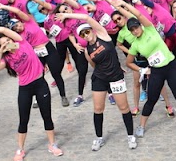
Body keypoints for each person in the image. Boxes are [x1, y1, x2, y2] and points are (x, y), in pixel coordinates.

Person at [0, 26, 63, 161]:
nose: (7, 43)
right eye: (3, 43)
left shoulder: (22, 43)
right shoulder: (7, 59)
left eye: (8, 40)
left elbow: (3, 29)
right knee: (23, 120)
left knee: (47, 115)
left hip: (40, 83)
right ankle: (20, 149)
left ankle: (52, 144)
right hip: (25, 88)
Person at [115, 0, 176, 138]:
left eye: (136, 27)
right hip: (156, 71)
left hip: (171, 66)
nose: (135, 31)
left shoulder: (150, 29)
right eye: (132, 30)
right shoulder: (135, 45)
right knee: (151, 100)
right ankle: (141, 126)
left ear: (140, 26)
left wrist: (123, 6)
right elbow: (129, 62)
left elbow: (139, 14)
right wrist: (142, 70)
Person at [57, 13, 137, 150]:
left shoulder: (103, 35)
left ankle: (130, 135)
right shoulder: (88, 50)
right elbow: (93, 65)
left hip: (116, 77)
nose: (86, 35)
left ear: (92, 30)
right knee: (98, 109)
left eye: (87, 31)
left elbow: (87, 18)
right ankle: (99, 138)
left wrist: (66, 14)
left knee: (123, 108)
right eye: (82, 35)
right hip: (100, 78)